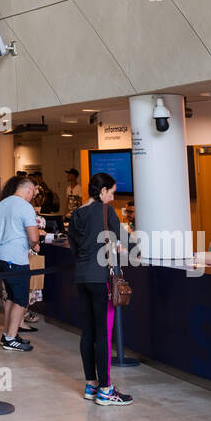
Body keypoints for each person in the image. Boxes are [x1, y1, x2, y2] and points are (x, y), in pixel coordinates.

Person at [69, 173, 133, 405]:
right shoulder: (106, 212)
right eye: (112, 192)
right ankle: (106, 390)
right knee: (103, 335)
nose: (113, 197)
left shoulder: (77, 214)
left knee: (87, 333)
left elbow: (74, 247)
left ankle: (91, 385)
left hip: (82, 277)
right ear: (103, 191)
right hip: (102, 279)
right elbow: (126, 242)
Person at [0, 176, 40, 352]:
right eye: (33, 193)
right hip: (16, 258)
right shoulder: (25, 207)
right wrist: (35, 244)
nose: (32, 196)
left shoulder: (2, 204)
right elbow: (34, 237)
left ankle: (8, 334)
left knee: (12, 297)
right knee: (21, 299)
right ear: (28, 190)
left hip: (1, 255)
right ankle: (10, 338)